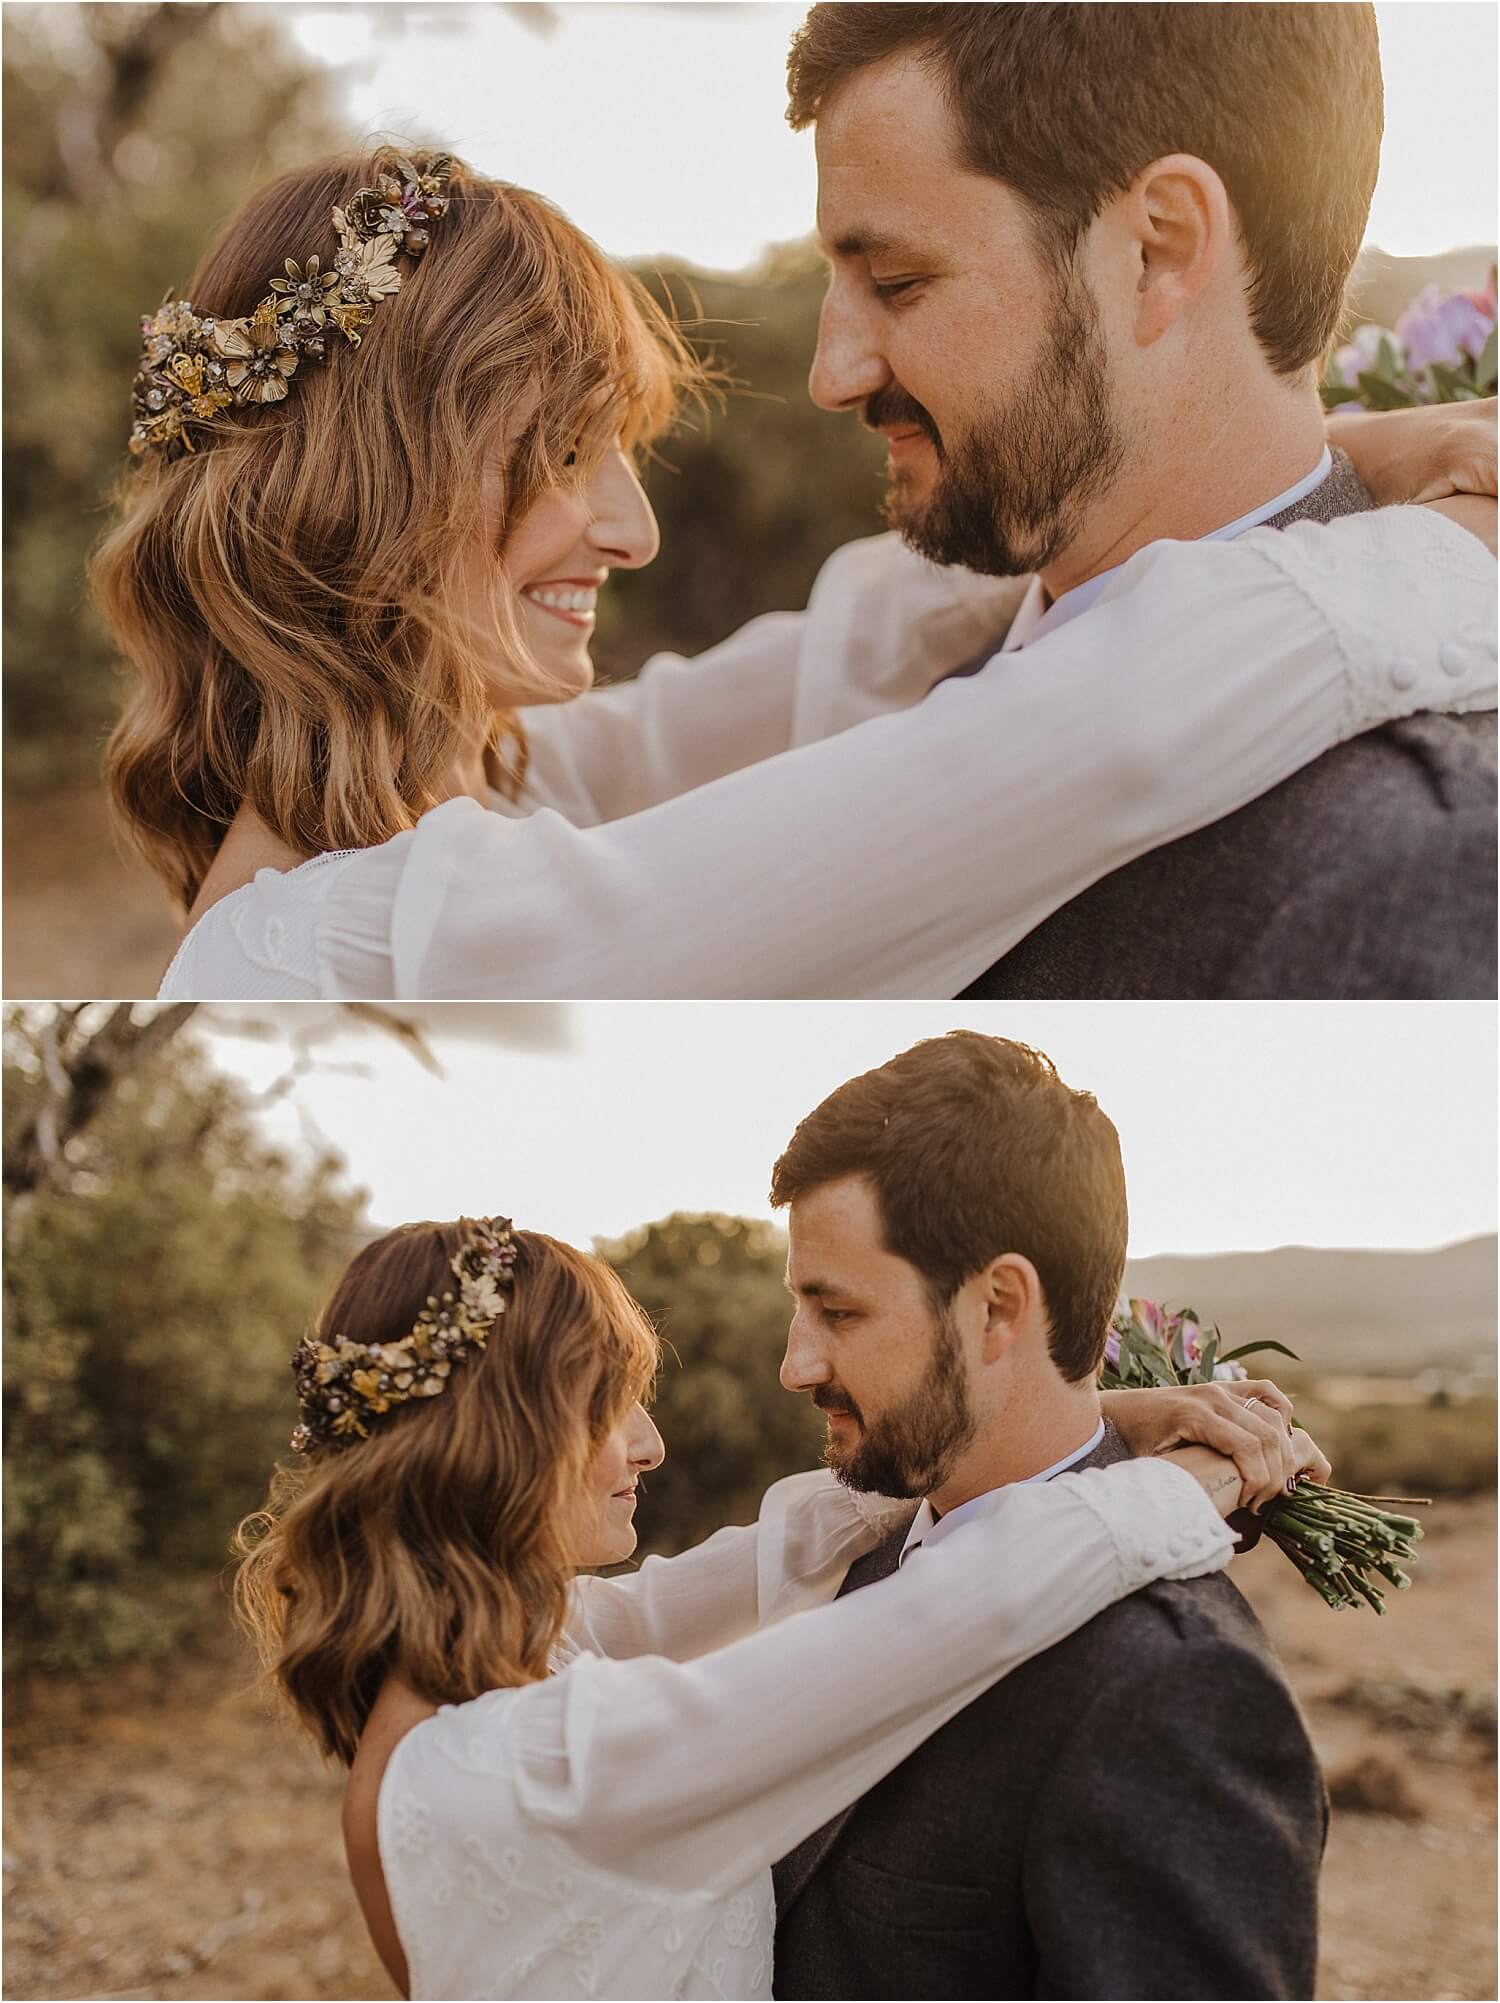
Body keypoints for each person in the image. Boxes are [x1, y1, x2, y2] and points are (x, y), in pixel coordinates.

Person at [91, 149, 1496, 1003]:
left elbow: (856, 642)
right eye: (562, 451)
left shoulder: (480, 791)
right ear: (373, 486)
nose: (630, 530)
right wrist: (1436, 559)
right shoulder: (355, 948)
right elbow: (1087, 738)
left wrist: (1345, 445)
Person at [235, 1213, 1324, 2001]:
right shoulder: (551, 1763)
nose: (649, 1447)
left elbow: (790, 1539)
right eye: (609, 1408)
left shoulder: (470, 1677)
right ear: (501, 1438)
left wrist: (1099, 1413)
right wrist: (1209, 1479)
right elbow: (957, 1610)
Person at [785, 1, 1499, 998]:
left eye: (897, 281)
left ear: (1158, 248)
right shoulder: (917, 666)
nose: (835, 373)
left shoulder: (1413, 859)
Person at [768, 1031, 1330, 1999]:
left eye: (840, 1312)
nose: (796, 1364)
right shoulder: (863, 1549)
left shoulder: (1168, 1687)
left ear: (998, 1306)